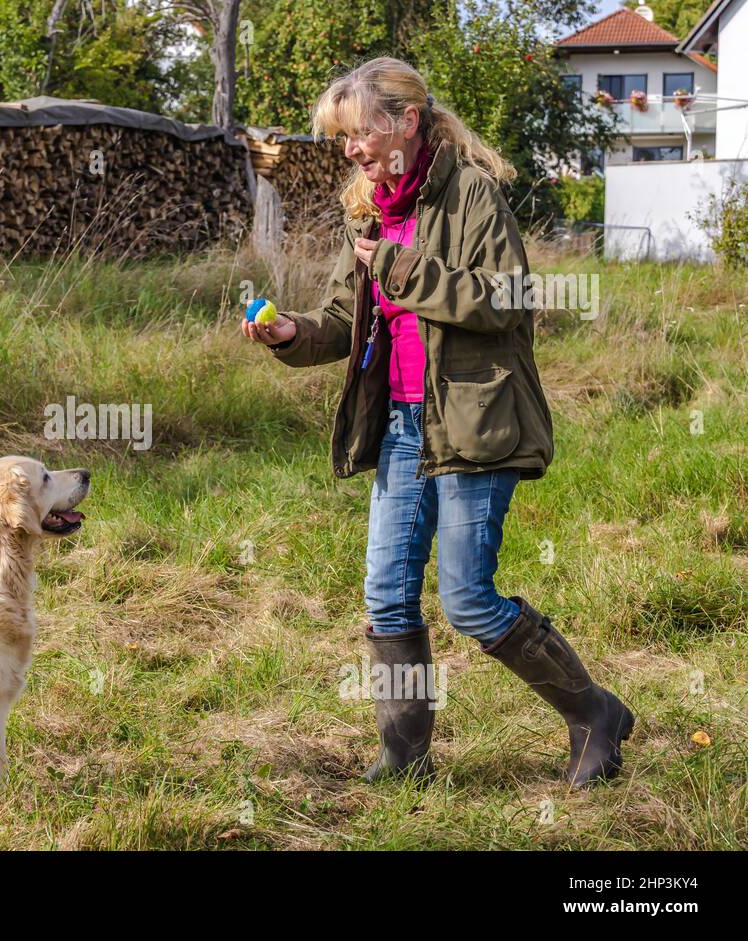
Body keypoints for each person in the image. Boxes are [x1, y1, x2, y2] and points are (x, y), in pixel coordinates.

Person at [242, 57, 633, 787]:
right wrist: (291, 333)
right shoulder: (369, 206)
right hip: (399, 426)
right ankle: (404, 755)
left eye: (359, 133)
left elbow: (508, 298)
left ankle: (595, 714)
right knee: (387, 594)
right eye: (344, 140)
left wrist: (398, 268)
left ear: (406, 121)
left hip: (474, 422)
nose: (352, 150)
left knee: (469, 599)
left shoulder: (474, 196)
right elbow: (341, 320)